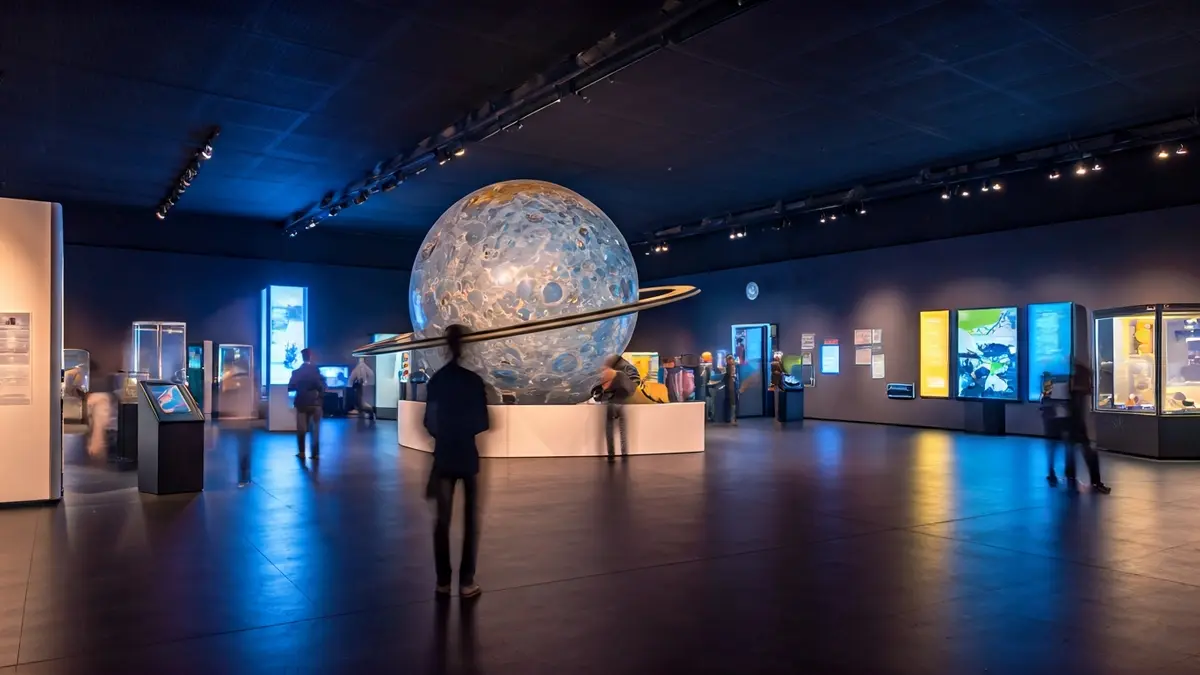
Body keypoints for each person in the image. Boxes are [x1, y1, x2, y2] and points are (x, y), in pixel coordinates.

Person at [424, 325, 489, 598]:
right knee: (470, 520)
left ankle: (442, 581)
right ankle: (466, 582)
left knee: (442, 521)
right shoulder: (474, 382)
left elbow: (429, 422)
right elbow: (482, 422)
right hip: (467, 456)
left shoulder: (436, 381)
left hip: (443, 457)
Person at [1061, 358, 1111, 494]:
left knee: (1072, 452)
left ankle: (1071, 477)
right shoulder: (1078, 396)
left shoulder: (1075, 393)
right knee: (1088, 454)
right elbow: (1078, 414)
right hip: (1077, 427)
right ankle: (1095, 482)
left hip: (1075, 427)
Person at [287, 348, 326, 459]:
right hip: (316, 403)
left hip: (301, 403)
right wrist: (320, 397)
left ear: (302, 357)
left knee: (301, 429)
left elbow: (290, 387)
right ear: (311, 357)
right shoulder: (317, 371)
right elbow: (322, 386)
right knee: (315, 429)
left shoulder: (297, 372)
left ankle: (302, 452)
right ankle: (315, 454)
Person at [601, 355, 636, 462]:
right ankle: (624, 452)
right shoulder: (621, 374)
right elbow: (631, 387)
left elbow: (604, 388)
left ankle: (611, 454)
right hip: (621, 403)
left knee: (609, 430)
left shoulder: (607, 373)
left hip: (611, 403)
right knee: (622, 430)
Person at [1040, 373, 1068, 486]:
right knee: (1062, 448)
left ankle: (1052, 472)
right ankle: (1065, 472)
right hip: (1059, 424)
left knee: (1052, 449)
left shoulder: (1047, 396)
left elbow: (1044, 406)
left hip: (1052, 425)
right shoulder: (1060, 394)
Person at [723, 354, 739, 425]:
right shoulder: (729, 368)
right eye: (729, 359)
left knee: (733, 402)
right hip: (731, 387)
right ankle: (732, 418)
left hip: (733, 386)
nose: (731, 361)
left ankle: (733, 418)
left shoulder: (733, 367)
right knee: (732, 402)